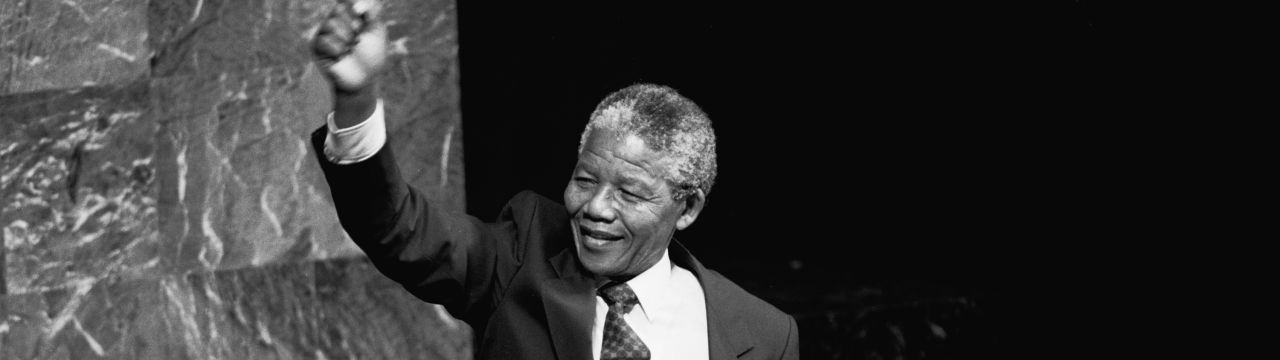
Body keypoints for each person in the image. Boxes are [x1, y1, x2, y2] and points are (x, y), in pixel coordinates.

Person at [309, 1, 798, 359]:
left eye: (629, 192)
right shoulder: (521, 258)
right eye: (586, 180)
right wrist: (358, 98)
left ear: (686, 208)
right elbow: (399, 230)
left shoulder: (764, 335)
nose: (597, 208)